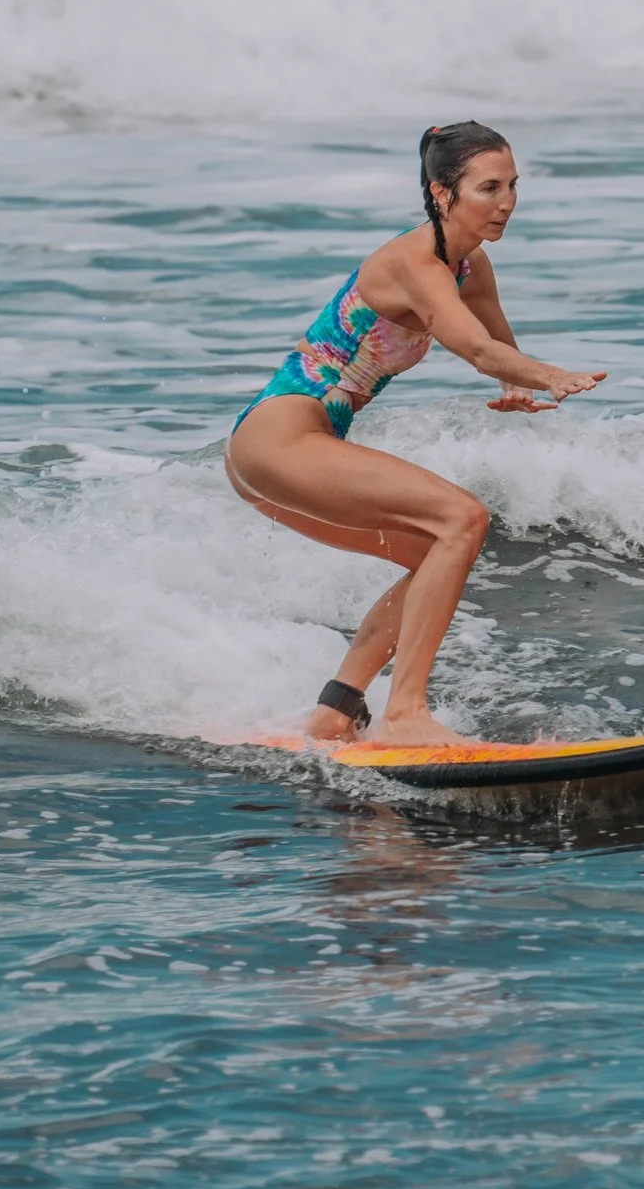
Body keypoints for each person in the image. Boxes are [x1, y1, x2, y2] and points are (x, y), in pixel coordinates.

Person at [226, 122, 606, 743]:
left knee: (434, 552)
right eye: (489, 187)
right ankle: (405, 713)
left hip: (285, 447)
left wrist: (522, 386)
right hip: (280, 437)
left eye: (513, 185)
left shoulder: (468, 266)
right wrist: (548, 375)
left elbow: (497, 348)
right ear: (441, 193)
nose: (506, 201)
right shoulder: (415, 264)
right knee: (463, 519)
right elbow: (477, 351)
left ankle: (336, 709)